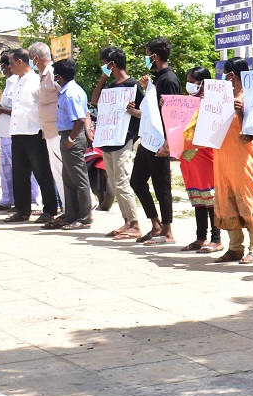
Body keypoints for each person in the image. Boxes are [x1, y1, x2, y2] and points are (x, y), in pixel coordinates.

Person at [212, 56, 253, 264]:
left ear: (231, 74)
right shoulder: (219, 97)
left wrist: (243, 110)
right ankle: (235, 247)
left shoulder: (251, 96)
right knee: (226, 198)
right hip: (222, 156)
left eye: (225, 74)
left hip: (243, 156)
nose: (223, 78)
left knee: (248, 197)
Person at [129, 38, 182, 245]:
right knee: (137, 181)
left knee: (162, 185)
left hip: (160, 141)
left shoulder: (169, 80)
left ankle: (167, 231)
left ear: (154, 56)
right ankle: (156, 223)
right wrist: (145, 90)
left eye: (147, 54)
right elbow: (153, 111)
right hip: (148, 139)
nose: (145, 58)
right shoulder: (157, 79)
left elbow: (173, 114)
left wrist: (168, 142)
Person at [91, 47, 144, 239]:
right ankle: (127, 222)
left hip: (124, 141)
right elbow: (95, 100)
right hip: (109, 141)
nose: (103, 67)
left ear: (112, 64)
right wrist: (103, 78)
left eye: (105, 63)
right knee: (114, 182)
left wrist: (133, 114)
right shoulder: (112, 86)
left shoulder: (133, 85)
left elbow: (145, 113)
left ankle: (135, 224)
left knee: (122, 182)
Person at [4, 48, 59, 224]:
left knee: (42, 173)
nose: (9, 67)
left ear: (20, 62)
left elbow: (45, 105)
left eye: (11, 63)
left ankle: (50, 210)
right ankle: (22, 210)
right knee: (19, 174)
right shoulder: (15, 82)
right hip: (17, 133)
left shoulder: (36, 80)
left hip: (34, 133)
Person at [46, 59, 93, 230]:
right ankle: (72, 215)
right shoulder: (69, 90)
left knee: (79, 180)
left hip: (72, 136)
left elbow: (80, 119)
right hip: (68, 135)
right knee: (69, 179)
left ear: (59, 76)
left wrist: (71, 139)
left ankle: (85, 217)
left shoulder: (71, 93)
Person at [0, 54, 38, 212]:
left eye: (8, 64)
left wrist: (2, 109)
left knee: (23, 171)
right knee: (6, 170)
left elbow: (22, 109)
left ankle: (32, 200)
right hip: (5, 133)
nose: (7, 68)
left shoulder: (23, 82)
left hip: (17, 133)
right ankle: (8, 199)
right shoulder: (10, 83)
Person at [180, 66, 221, 253]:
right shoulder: (186, 103)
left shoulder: (213, 104)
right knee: (197, 198)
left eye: (193, 81)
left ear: (204, 83)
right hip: (188, 156)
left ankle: (216, 239)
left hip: (206, 154)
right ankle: (200, 237)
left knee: (210, 197)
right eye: (188, 80)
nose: (190, 84)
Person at [27, 42, 63, 214]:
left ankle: (82, 207)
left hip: (58, 129)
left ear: (36, 58)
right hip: (49, 130)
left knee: (64, 173)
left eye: (30, 60)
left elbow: (65, 94)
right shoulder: (43, 75)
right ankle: (67, 209)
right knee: (57, 174)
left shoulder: (52, 73)